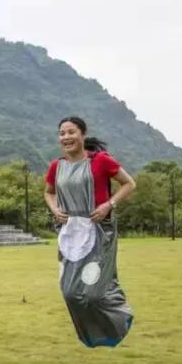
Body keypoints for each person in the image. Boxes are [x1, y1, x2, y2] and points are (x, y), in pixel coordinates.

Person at [44, 116, 136, 347]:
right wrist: (55, 209)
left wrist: (109, 205)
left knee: (94, 293)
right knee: (70, 293)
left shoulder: (101, 161)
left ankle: (120, 316)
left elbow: (129, 184)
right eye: (62, 133)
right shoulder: (57, 166)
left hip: (98, 230)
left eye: (71, 132)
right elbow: (49, 192)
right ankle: (92, 333)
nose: (66, 137)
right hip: (70, 232)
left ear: (82, 135)